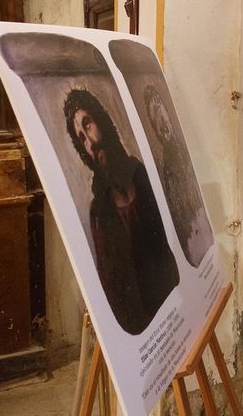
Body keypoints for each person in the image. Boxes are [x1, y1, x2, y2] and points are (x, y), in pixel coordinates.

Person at [63, 88, 179, 335]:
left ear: (100, 120)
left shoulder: (141, 176)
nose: (91, 142)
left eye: (88, 125)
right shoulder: (100, 212)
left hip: (173, 310)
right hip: (141, 329)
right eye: (81, 138)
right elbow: (114, 288)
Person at [143, 85, 213, 267]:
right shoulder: (168, 171)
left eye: (161, 112)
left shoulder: (185, 150)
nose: (161, 123)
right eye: (154, 119)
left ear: (167, 112)